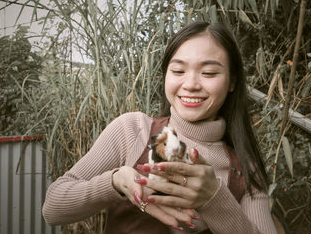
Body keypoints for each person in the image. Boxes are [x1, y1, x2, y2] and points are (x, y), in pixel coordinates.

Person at [42, 22, 278, 233]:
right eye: (178, 70)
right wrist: (114, 181)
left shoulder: (243, 168)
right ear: (165, 75)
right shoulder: (133, 130)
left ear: (232, 82)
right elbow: (52, 209)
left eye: (208, 73)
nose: (191, 84)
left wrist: (214, 199)